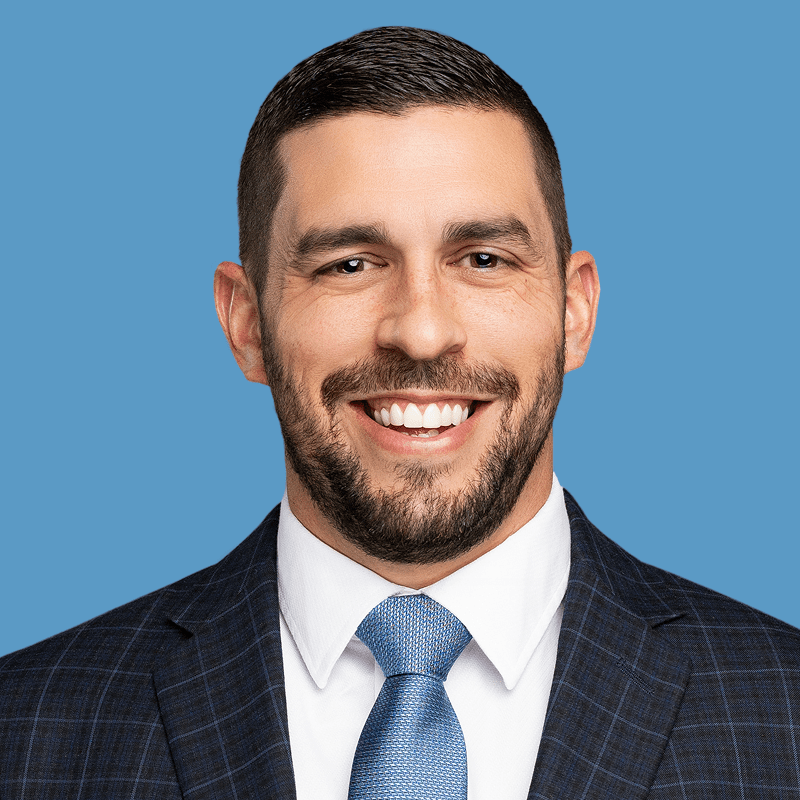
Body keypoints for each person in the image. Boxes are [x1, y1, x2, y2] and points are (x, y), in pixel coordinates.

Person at [1, 25, 798, 800]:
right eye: (350, 264)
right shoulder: (24, 727)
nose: (420, 331)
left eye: (482, 259)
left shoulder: (783, 709)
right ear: (246, 324)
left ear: (574, 312)